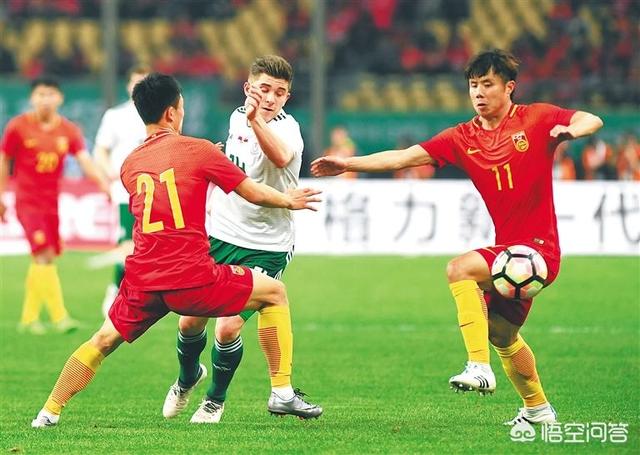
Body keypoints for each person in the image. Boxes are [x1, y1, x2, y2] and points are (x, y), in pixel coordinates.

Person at [311, 49, 603, 425]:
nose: (478, 92)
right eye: (473, 85)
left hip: (537, 252)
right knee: (502, 335)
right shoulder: (462, 137)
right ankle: (538, 409)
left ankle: (478, 367)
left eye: (488, 84)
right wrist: (347, 163)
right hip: (508, 254)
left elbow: (590, 118)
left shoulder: (535, 118)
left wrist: (573, 131)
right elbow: (404, 157)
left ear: (509, 87)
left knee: (459, 269)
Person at [31, 73, 322, 428]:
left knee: (102, 340)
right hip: (190, 277)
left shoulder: (130, 164)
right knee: (274, 293)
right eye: (181, 107)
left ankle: (49, 411)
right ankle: (281, 391)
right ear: (172, 112)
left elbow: (169, 184)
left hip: (143, 280)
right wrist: (288, 200)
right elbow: (251, 191)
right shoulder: (198, 150)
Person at [161, 55, 307, 424]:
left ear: (287, 97)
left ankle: (215, 400)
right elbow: (234, 163)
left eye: (279, 93)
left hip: (267, 245)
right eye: (263, 89)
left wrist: (257, 119)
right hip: (221, 234)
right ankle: (187, 378)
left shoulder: (288, 129)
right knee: (189, 322)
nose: (270, 98)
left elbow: (280, 158)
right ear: (247, 88)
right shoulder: (236, 117)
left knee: (228, 325)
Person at [0, 76, 110, 334]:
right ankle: (60, 317)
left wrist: (103, 184)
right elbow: (4, 160)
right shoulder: (18, 127)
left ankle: (29, 318)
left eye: (50, 94)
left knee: (45, 258)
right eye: (40, 95)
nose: (45, 100)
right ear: (32, 98)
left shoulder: (68, 130)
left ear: (59, 98)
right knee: (43, 254)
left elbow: (84, 160)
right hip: (27, 202)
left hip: (51, 204)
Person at [93, 64, 150, 316]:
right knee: (128, 244)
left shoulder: (161, 114)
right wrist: (109, 173)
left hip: (155, 193)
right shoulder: (116, 116)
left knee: (148, 246)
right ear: (128, 86)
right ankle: (116, 289)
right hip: (126, 193)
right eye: (137, 82)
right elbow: (100, 149)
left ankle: (138, 295)